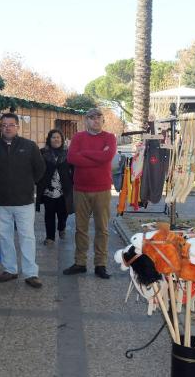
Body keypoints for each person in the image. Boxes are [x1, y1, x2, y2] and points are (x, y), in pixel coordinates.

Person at [0, 113, 46, 288]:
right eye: (4, 125)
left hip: (24, 201)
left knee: (27, 237)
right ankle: (10, 269)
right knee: (4, 236)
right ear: (0, 127)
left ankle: (31, 273)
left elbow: (40, 169)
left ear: (18, 127)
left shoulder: (29, 146)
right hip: (1, 201)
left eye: (11, 125)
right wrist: (0, 183)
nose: (7, 128)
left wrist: (26, 183)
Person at [63, 108, 116, 280]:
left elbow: (107, 157)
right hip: (81, 189)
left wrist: (84, 154)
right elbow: (71, 158)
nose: (95, 121)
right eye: (91, 118)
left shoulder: (110, 137)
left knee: (102, 228)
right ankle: (80, 263)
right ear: (86, 121)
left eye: (98, 118)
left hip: (102, 189)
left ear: (103, 121)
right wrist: (97, 157)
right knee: (81, 228)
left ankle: (100, 264)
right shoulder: (78, 137)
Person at [36, 129, 74, 246]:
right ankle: (50, 237)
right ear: (49, 139)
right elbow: (37, 168)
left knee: (63, 213)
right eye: (53, 137)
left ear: (62, 140)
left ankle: (61, 227)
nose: (56, 139)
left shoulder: (68, 153)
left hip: (64, 190)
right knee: (49, 214)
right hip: (49, 190)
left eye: (58, 137)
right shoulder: (42, 152)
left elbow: (74, 169)